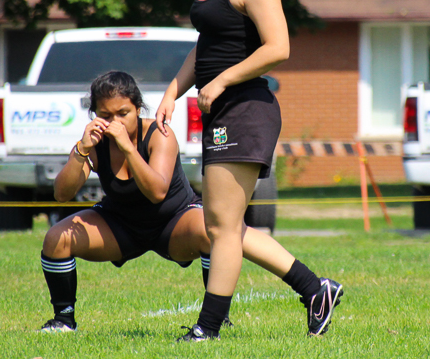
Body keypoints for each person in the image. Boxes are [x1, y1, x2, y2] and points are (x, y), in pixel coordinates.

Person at [155, 0, 343, 342]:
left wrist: (220, 82)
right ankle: (315, 289)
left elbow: (278, 47)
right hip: (223, 111)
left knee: (219, 226)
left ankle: (208, 329)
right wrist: (174, 90)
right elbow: (206, 46)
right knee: (226, 225)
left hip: (246, 110)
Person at [38, 70, 336, 338]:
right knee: (56, 240)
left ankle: (221, 315)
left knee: (217, 232)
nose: (114, 122)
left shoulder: (159, 135)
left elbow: (156, 191)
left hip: (174, 221)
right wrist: (81, 150)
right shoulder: (95, 140)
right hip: (121, 225)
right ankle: (64, 320)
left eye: (123, 113)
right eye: (105, 115)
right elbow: (62, 194)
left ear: (138, 109)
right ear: (94, 114)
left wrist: (128, 149)